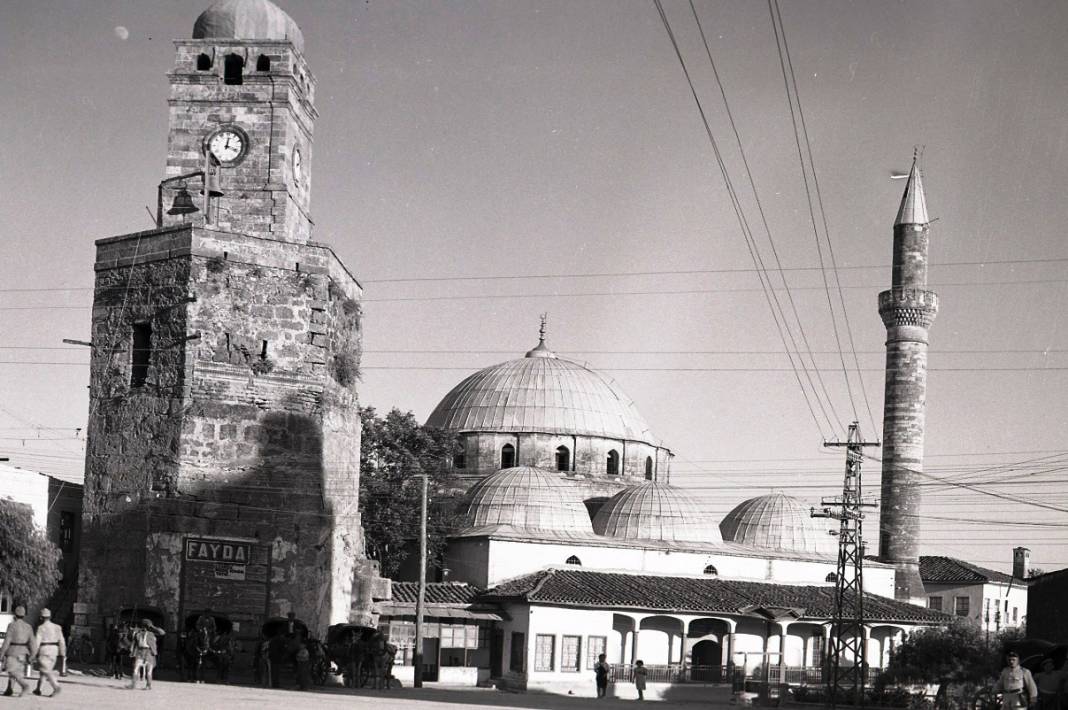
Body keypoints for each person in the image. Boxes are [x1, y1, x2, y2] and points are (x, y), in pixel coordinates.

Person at [1, 605, 37, 698]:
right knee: (16, 670)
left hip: (13, 651)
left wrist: (1, 654)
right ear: (24, 615)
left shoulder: (12, 625)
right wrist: (33, 655)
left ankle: (25, 685)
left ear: (14, 615)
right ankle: (9, 689)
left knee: (11, 670)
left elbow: (7, 641)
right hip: (23, 653)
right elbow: (32, 642)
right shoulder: (28, 627)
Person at [32, 608, 66, 698]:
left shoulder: (41, 628)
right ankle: (38, 689)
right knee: (45, 670)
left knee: (45, 670)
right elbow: (62, 641)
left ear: (41, 617)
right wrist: (62, 653)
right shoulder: (57, 627)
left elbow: (37, 641)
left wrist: (33, 653)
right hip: (54, 650)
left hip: (45, 649)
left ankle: (56, 686)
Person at [128, 618, 165, 690]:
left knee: (148, 671)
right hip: (140, 652)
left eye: (146, 626)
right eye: (143, 626)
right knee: (136, 669)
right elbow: (131, 638)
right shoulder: (137, 633)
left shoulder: (152, 633)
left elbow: (162, 632)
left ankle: (148, 685)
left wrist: (153, 627)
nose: (144, 627)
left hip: (149, 653)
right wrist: (132, 631)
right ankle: (133, 685)